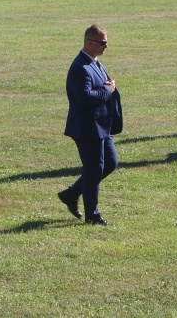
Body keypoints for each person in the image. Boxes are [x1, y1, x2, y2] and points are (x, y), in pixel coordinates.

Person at [57, 25, 119, 225]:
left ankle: (72, 193)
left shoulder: (94, 62)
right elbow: (84, 98)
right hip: (87, 128)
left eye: (107, 42)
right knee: (94, 169)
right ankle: (92, 214)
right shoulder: (80, 68)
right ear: (90, 43)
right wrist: (107, 90)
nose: (106, 46)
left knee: (110, 163)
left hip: (100, 126)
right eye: (103, 43)